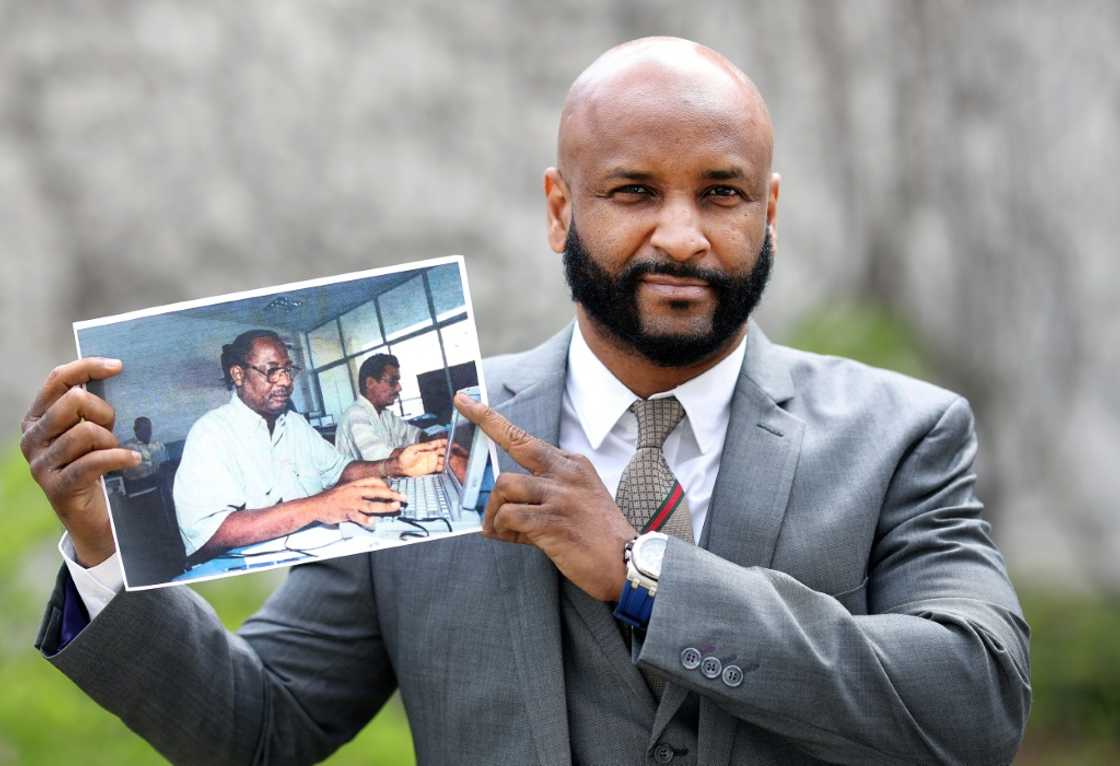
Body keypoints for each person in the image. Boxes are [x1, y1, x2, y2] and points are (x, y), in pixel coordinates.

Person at [21, 37, 1030, 765]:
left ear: (767, 211)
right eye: (633, 192)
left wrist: (642, 573)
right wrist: (104, 556)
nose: (680, 236)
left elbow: (976, 704)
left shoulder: (902, 435)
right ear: (561, 209)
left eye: (719, 194)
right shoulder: (436, 440)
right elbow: (258, 727)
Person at [172, 329, 447, 563]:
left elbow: (341, 469)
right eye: (271, 371)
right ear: (238, 375)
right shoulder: (211, 434)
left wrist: (393, 466)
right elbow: (210, 535)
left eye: (288, 370)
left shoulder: (293, 423)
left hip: (314, 546)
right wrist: (319, 505)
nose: (286, 381)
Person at [334, 353, 423, 462]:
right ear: (370, 383)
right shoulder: (355, 415)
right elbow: (379, 457)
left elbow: (412, 434)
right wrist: (428, 449)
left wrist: (434, 439)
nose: (399, 388)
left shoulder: (385, 415)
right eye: (393, 381)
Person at [119, 416, 166, 493]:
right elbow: (131, 471)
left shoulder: (158, 444)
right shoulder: (126, 447)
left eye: (149, 429)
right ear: (135, 430)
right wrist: (152, 464)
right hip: (137, 486)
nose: (148, 433)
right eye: (144, 430)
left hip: (157, 482)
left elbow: (163, 461)